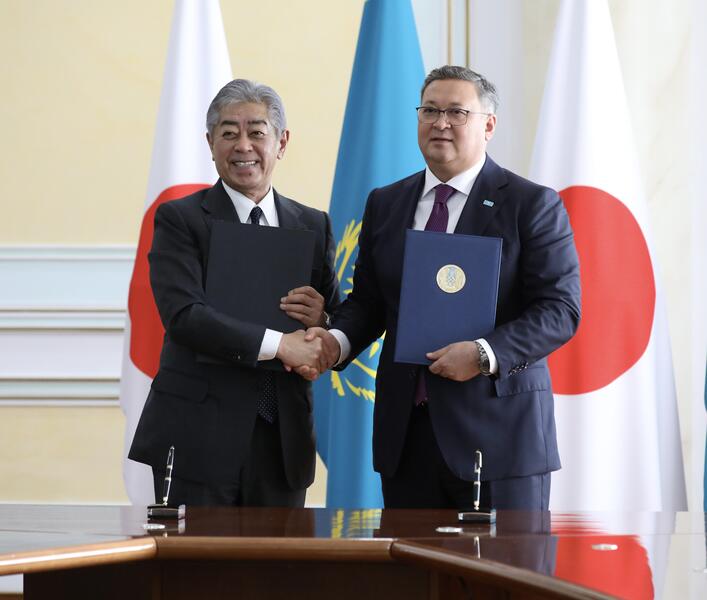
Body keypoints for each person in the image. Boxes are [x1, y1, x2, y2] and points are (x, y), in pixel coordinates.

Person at [306, 65, 581, 510]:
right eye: (430, 111)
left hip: (499, 439)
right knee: (411, 560)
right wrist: (335, 342)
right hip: (407, 438)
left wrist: (483, 354)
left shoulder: (530, 204)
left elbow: (559, 310)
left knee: (507, 560)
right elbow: (370, 302)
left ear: (488, 125)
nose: (441, 123)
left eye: (457, 112)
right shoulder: (386, 202)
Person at [129, 79, 340, 507]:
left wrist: (322, 322)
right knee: (197, 555)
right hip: (197, 438)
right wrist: (282, 345)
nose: (243, 145)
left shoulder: (313, 224)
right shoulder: (180, 220)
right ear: (210, 143)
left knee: (278, 555)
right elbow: (185, 316)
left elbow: (334, 320)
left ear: (281, 142)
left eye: (256, 132)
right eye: (229, 133)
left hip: (283, 442)